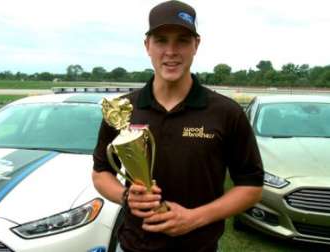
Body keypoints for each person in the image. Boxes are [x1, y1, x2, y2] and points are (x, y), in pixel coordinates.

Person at [92, 1, 264, 251]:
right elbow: (100, 172)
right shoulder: (122, 110)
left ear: (196, 44)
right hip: (132, 245)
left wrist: (195, 218)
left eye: (182, 40)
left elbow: (251, 187)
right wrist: (126, 197)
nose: (171, 51)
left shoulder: (226, 112)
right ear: (147, 45)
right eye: (161, 40)